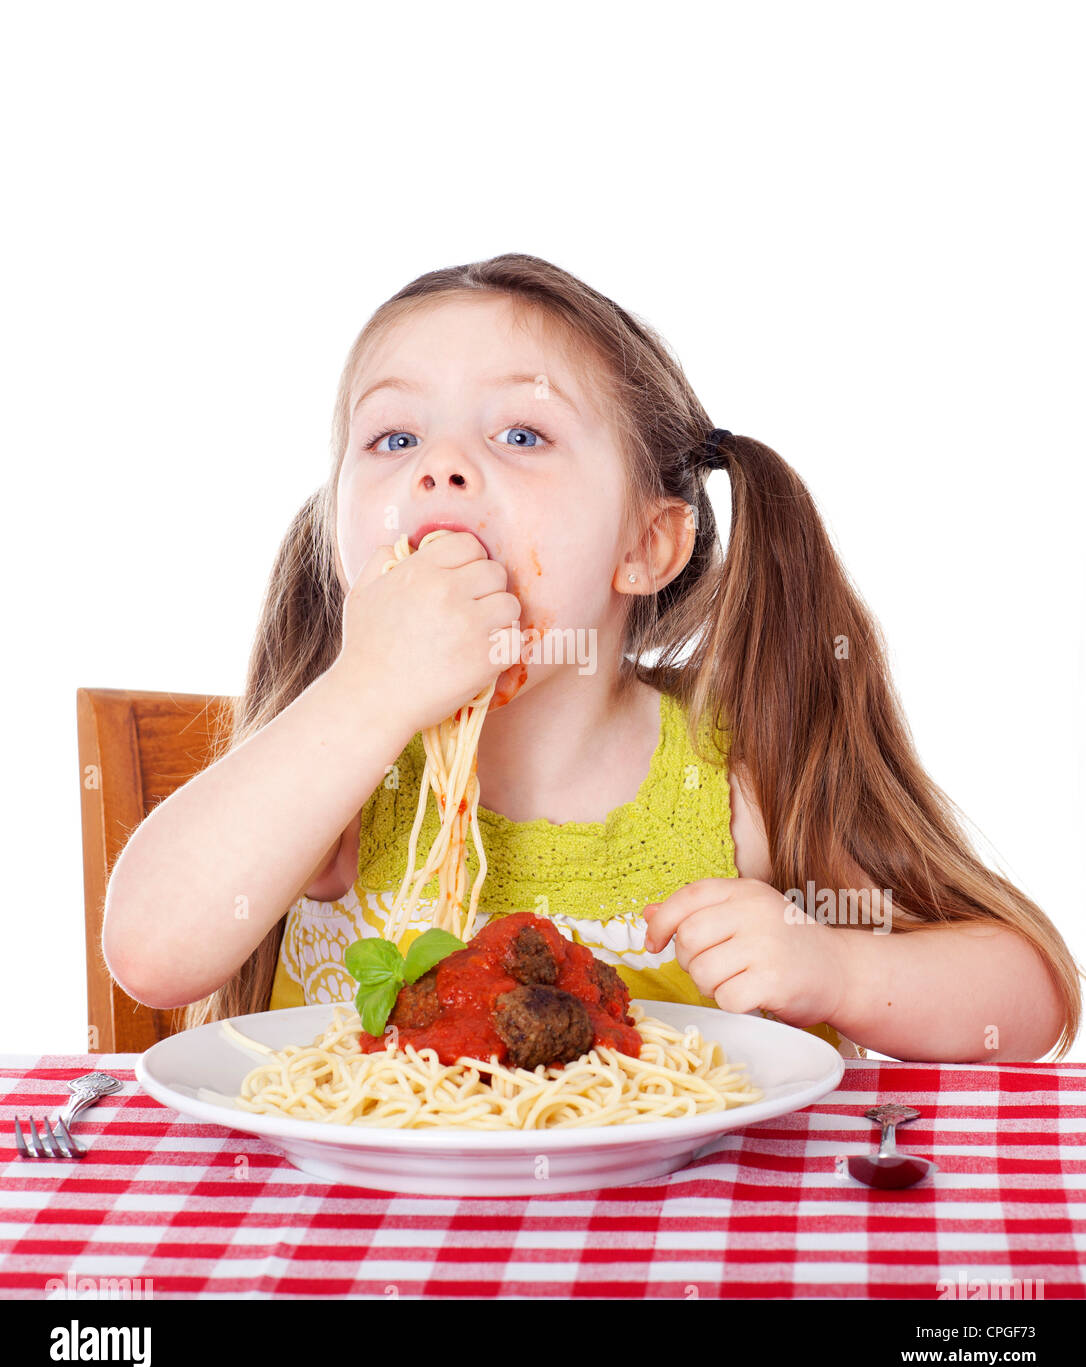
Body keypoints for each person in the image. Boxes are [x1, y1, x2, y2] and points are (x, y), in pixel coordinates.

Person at [102, 253, 1082, 1062]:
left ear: (647, 542)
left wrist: (845, 970)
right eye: (393, 435)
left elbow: (1029, 995)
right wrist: (365, 693)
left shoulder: (735, 781)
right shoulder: (336, 773)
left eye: (522, 432)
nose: (438, 465)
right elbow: (149, 951)